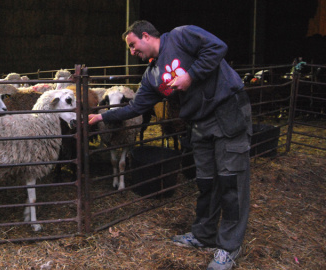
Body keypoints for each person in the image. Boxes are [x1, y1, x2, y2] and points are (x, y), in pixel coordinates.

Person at [88, 20, 252, 270]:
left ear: (145, 35)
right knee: (206, 181)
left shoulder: (180, 36)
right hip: (199, 122)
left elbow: (218, 47)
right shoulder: (151, 75)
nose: (132, 52)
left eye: (133, 45)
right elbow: (135, 107)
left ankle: (229, 247)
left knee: (231, 180)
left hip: (226, 111)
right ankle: (203, 235)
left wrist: (191, 75)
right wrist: (101, 116)